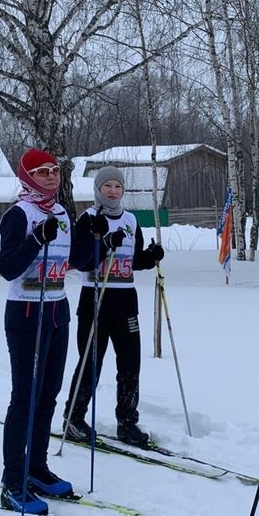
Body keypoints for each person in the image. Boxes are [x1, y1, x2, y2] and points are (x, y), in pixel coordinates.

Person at [63, 166, 164, 448]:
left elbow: (134, 260)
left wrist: (151, 257)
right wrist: (104, 243)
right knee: (90, 362)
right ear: (98, 189)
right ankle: (74, 418)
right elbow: (80, 260)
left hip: (125, 300)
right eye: (107, 186)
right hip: (95, 299)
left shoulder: (131, 220)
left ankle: (127, 421)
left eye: (117, 186)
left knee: (130, 363)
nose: (112, 191)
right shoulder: (88, 219)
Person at [0, 147, 74, 515]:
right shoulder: (19, 214)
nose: (51, 176)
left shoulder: (62, 213)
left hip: (57, 311)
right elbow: (8, 267)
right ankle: (13, 480)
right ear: (27, 177)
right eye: (42, 171)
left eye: (54, 170)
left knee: (48, 395)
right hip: (26, 314)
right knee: (25, 397)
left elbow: (75, 259)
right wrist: (36, 239)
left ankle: (37, 468)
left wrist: (98, 241)